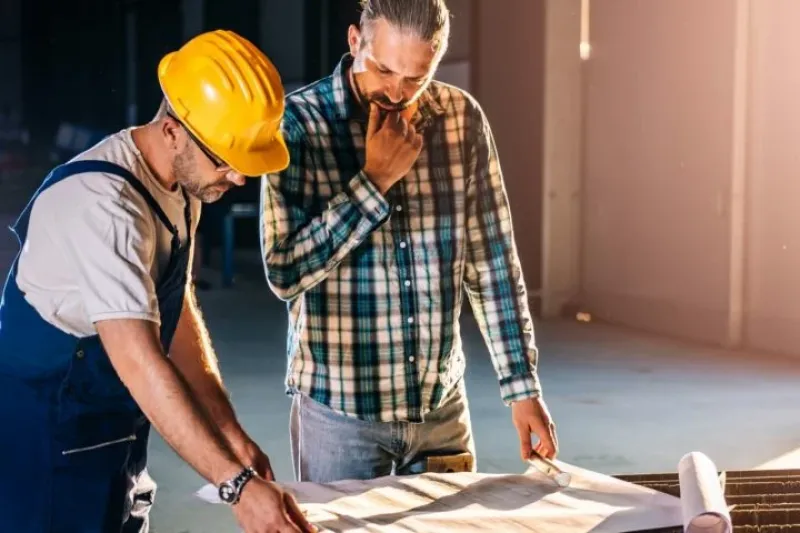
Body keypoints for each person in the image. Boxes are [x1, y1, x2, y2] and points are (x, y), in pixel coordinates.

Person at [0, 30, 315, 533]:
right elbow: (142, 362)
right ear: (171, 130)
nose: (237, 178)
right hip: (45, 451)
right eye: (225, 160)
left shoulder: (181, 182)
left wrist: (228, 433)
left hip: (112, 442)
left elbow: (177, 313)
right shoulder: (105, 208)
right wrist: (235, 486)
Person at [261, 0, 559, 484]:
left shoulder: (460, 119)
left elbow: (493, 265)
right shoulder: (298, 124)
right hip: (341, 417)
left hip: (440, 412)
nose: (397, 92)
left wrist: (522, 388)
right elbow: (284, 271)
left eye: (415, 78)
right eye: (383, 70)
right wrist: (374, 181)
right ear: (355, 41)